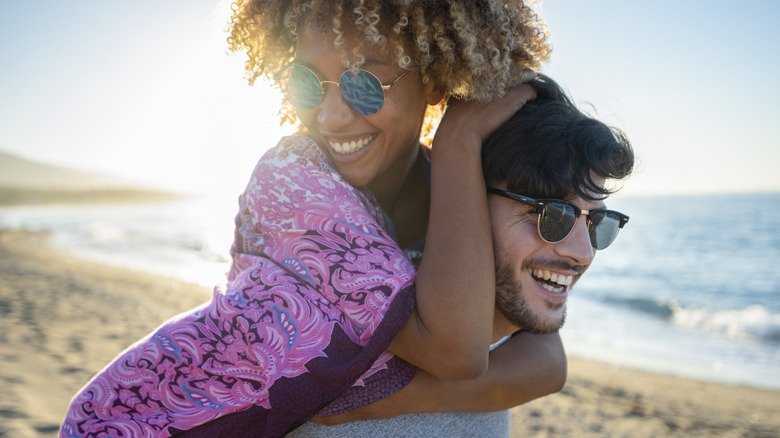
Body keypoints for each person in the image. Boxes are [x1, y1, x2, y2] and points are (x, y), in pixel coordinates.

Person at [61, 2, 561, 437]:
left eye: (363, 83)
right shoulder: (289, 180)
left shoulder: (468, 192)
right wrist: (459, 141)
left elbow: (547, 353)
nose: (330, 116)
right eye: (306, 83)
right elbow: (458, 351)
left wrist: (391, 400)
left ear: (433, 80)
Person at [288, 74, 635, 436]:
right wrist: (459, 140)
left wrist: (409, 394)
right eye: (551, 215)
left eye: (598, 221)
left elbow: (551, 363)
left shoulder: (503, 326)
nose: (583, 252)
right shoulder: (359, 287)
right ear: (464, 197)